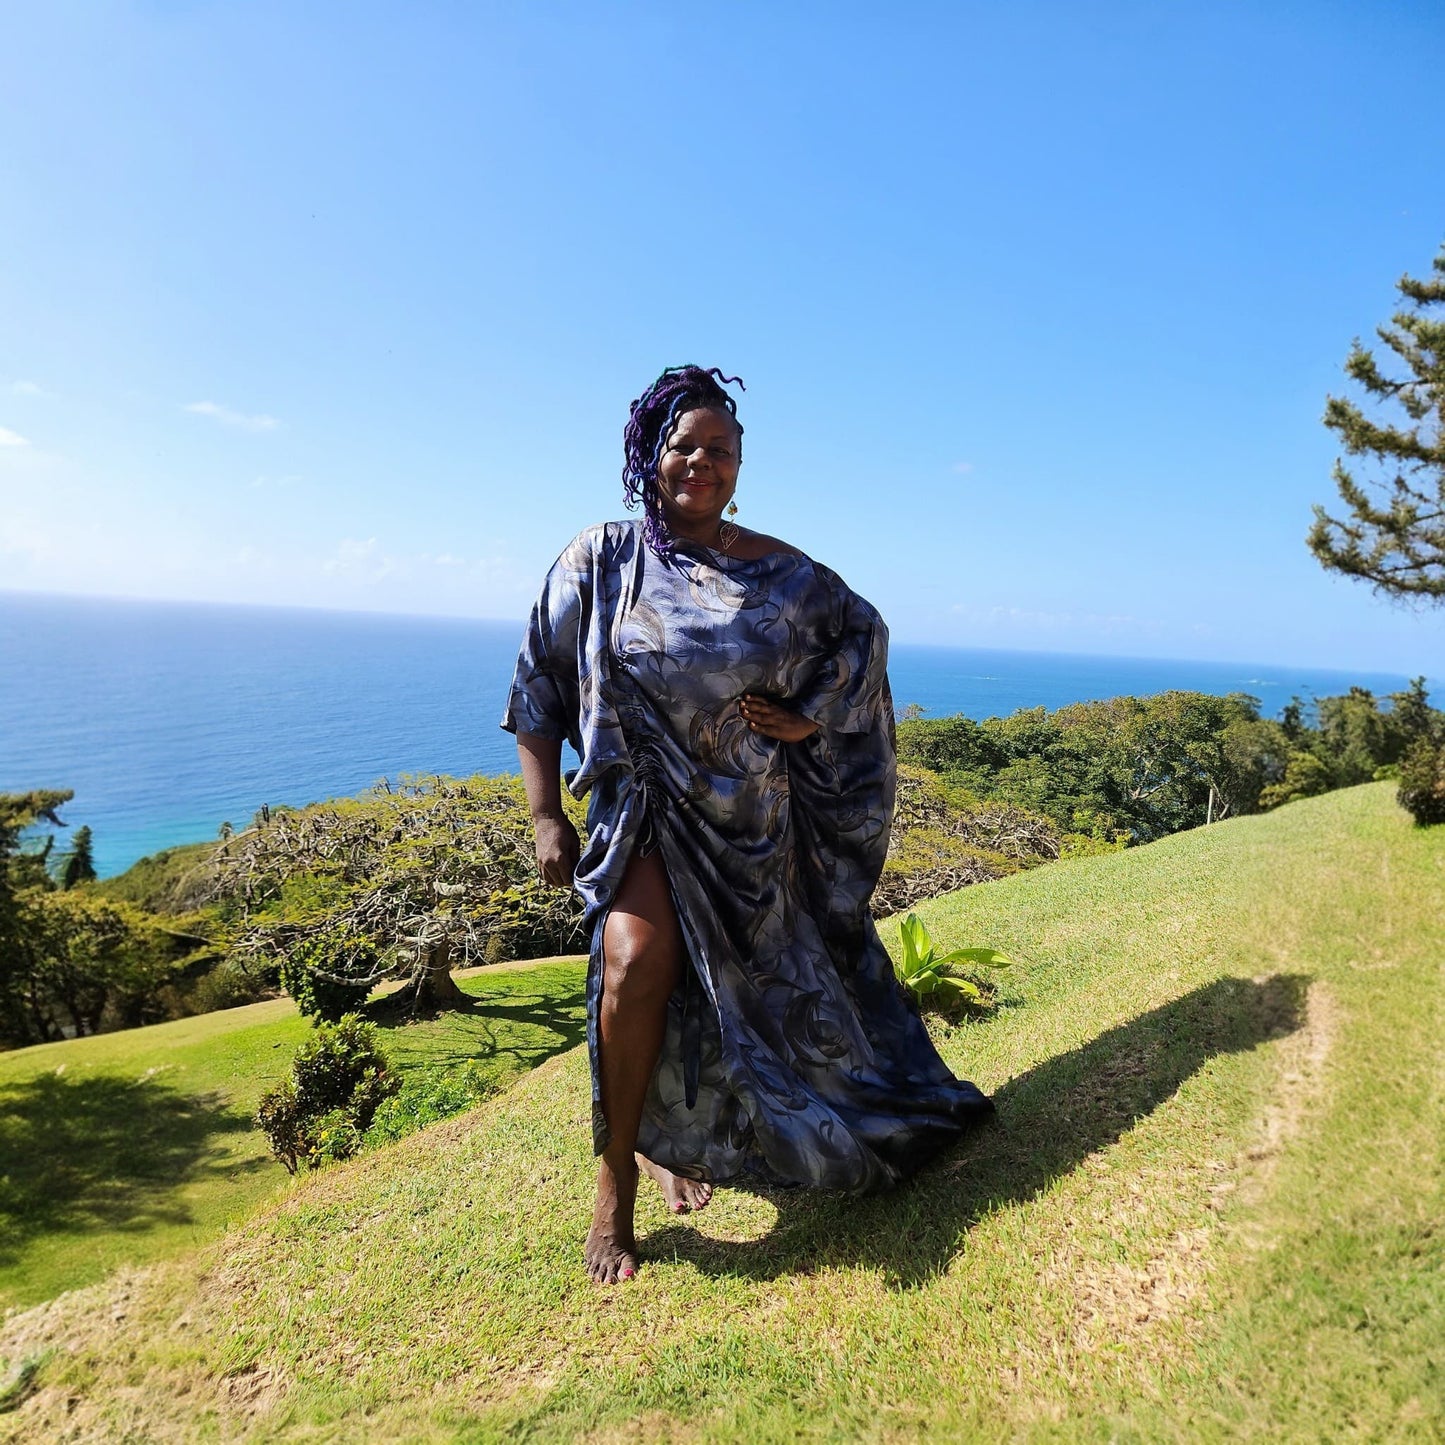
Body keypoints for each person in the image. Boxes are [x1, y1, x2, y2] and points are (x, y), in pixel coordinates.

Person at [502, 365, 992, 1284]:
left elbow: (863, 633)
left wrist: (812, 713)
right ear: (649, 453)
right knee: (636, 963)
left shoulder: (778, 571)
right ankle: (615, 1187)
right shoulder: (598, 559)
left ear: (739, 465)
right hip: (642, 814)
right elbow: (536, 684)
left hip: (752, 826)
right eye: (682, 446)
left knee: (763, 1003)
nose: (701, 463)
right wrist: (542, 813)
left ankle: (693, 1135)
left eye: (719, 450)